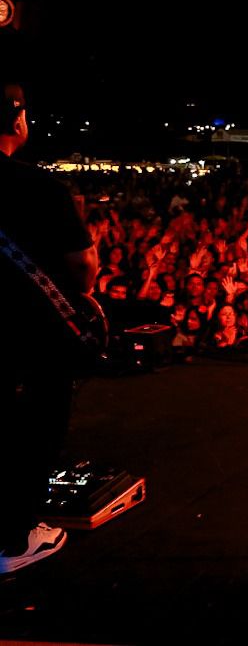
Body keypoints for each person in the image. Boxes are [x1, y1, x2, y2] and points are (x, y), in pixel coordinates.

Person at [0, 84, 99, 574]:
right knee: (33, 424)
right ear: (17, 120)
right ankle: (14, 540)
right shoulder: (42, 188)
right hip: (28, 330)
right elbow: (81, 267)